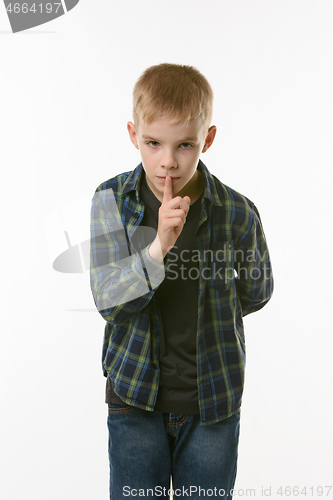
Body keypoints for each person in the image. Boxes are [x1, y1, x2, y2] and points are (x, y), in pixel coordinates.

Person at [90, 63, 273, 499]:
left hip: (212, 404)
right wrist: (158, 250)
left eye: (185, 145)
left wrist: (215, 305)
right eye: (153, 143)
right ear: (134, 135)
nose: (168, 161)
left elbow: (258, 290)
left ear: (207, 140)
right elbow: (107, 302)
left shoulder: (237, 211)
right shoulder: (111, 199)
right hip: (135, 402)